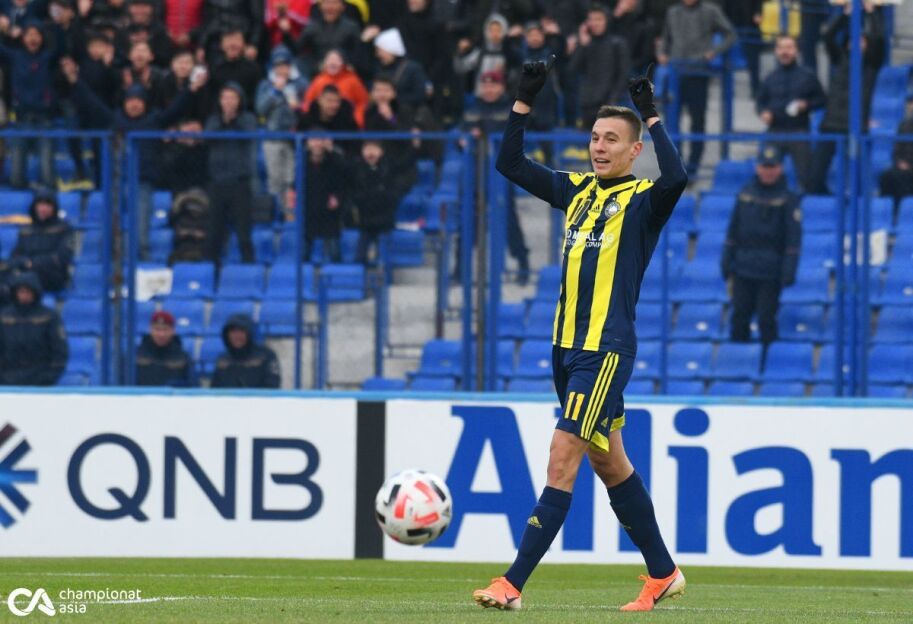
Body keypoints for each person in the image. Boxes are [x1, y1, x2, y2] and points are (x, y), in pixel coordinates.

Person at [473, 58, 688, 612]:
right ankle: (663, 573)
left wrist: (650, 114)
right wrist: (524, 99)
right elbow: (509, 162)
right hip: (565, 349)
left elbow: (678, 178)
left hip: (604, 350)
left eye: (611, 139)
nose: (599, 146)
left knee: (562, 454)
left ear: (634, 150)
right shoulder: (576, 190)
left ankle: (512, 584)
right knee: (608, 461)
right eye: (594, 137)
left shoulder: (642, 201)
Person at [721, 146, 801, 346]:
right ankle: (739, 359)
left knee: (766, 319)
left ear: (780, 168)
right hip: (743, 268)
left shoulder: (788, 199)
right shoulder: (745, 194)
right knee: (739, 318)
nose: (768, 171)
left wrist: (789, 270)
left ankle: (768, 360)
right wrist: (726, 260)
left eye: (772, 167)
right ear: (758, 168)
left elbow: (793, 239)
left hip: (771, 271)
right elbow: (733, 231)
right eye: (765, 167)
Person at [462, 69, 529, 283]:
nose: (489, 89)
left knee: (509, 219)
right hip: (476, 171)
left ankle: (523, 265)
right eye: (485, 85)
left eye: (493, 85)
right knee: (468, 220)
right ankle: (459, 269)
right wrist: (465, 139)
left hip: (502, 174)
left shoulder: (510, 108)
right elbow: (461, 135)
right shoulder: (472, 108)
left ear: (501, 87)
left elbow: (517, 136)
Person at [658, 0, 736, 176]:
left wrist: (714, 52)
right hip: (676, 73)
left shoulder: (711, 10)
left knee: (697, 120)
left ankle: (693, 166)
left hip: (698, 73)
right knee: (671, 121)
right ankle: (675, 165)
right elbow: (666, 37)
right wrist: (662, 53)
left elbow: (730, 35)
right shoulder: (672, 12)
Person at [756, 34, 826, 192]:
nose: (785, 52)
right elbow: (760, 102)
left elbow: (821, 100)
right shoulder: (770, 77)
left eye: (789, 47)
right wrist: (763, 113)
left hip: (799, 131)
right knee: (767, 173)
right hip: (775, 131)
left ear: (796, 50)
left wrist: (806, 105)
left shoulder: (808, 76)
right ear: (776, 51)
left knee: (806, 177)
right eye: (781, 48)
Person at [0, 20, 59, 189]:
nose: (33, 38)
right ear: (23, 37)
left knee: (47, 173)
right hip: (21, 117)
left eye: (36, 34)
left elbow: (60, 46)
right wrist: (4, 30)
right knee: (16, 175)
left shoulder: (48, 58)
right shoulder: (15, 56)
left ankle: (47, 195)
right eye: (29, 35)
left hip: (44, 118)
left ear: (42, 38)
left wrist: (56, 23)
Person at [205, 81, 257, 264]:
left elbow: (249, 135)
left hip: (240, 183)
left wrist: (233, 120)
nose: (228, 101)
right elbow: (208, 138)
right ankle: (211, 270)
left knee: (244, 233)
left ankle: (249, 268)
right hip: (217, 182)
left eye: (232, 97)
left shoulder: (248, 119)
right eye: (225, 98)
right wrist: (223, 121)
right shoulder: (213, 120)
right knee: (213, 232)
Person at [256, 45, 307, 209]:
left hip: (295, 139)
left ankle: (291, 215)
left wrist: (298, 107)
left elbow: (308, 109)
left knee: (292, 179)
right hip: (272, 138)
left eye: (285, 65)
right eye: (278, 65)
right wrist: (275, 92)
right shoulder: (265, 85)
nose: (281, 69)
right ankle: (276, 215)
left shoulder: (301, 84)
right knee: (275, 181)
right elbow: (260, 110)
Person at [568, 4, 630, 129]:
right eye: (591, 19)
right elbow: (572, 70)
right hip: (587, 103)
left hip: (611, 102)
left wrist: (613, 99)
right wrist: (582, 45)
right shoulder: (586, 44)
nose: (595, 23)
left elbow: (623, 75)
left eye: (599, 19)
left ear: (607, 20)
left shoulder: (617, 44)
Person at [0, 271, 68, 385]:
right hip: (7, 379)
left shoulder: (49, 317)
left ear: (35, 292)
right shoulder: (3, 316)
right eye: (21, 291)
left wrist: (48, 378)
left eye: (28, 291)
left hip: (40, 379)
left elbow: (59, 350)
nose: (24, 295)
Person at [9, 192, 75, 294]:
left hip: (52, 277)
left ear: (54, 207)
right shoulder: (26, 230)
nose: (43, 208)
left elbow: (62, 257)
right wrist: (25, 262)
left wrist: (32, 263)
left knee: (26, 280)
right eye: (40, 204)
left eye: (47, 205)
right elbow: (15, 256)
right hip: (26, 275)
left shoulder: (63, 228)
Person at [350, 140, 401, 264]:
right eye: (367, 149)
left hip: (384, 218)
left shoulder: (390, 168)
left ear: (381, 152)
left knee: (384, 255)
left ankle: (384, 270)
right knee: (360, 255)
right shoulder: (355, 169)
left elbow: (393, 193)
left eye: (374, 149)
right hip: (365, 219)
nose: (371, 153)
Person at [303, 134, 346, 263]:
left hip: (330, 211)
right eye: (314, 140)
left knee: (334, 252)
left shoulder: (334, 160)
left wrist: (337, 198)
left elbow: (344, 177)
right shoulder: (302, 160)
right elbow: (296, 184)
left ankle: (336, 273)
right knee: (304, 254)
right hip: (309, 210)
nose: (317, 144)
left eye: (320, 140)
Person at [300, 48, 368, 127]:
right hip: (320, 124)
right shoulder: (318, 80)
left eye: (337, 60)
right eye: (330, 60)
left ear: (343, 63)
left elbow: (363, 102)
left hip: (344, 123)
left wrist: (357, 119)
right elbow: (308, 102)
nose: (333, 63)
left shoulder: (353, 80)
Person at [211, 314, 280, 388]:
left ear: (249, 333)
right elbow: (215, 390)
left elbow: (272, 386)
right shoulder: (222, 360)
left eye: (241, 331)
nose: (237, 336)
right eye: (233, 331)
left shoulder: (266, 356)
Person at [135, 310, 195, 386]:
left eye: (165, 329)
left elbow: (192, 386)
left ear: (173, 330)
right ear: (150, 329)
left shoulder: (183, 358)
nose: (161, 334)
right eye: (157, 329)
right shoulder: (136, 355)